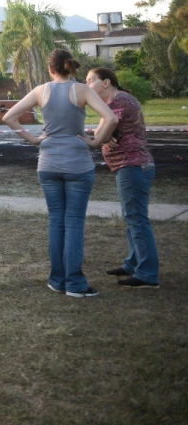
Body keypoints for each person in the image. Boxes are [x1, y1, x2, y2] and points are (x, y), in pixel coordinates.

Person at [3, 50, 117, 298]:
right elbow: (111, 118)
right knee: (74, 222)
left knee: (56, 221)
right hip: (77, 163)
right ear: (71, 68)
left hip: (48, 163)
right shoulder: (82, 90)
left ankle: (57, 280)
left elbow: (9, 116)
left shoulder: (40, 91)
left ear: (50, 69)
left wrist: (33, 139)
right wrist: (96, 142)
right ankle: (75, 284)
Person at [86, 67, 160, 289]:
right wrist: (102, 138)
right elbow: (102, 132)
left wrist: (98, 140)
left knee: (137, 219)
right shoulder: (112, 104)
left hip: (133, 166)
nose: (87, 85)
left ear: (106, 82)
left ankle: (147, 274)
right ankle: (133, 263)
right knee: (132, 219)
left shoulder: (119, 100)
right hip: (130, 167)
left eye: (90, 81)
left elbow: (100, 135)